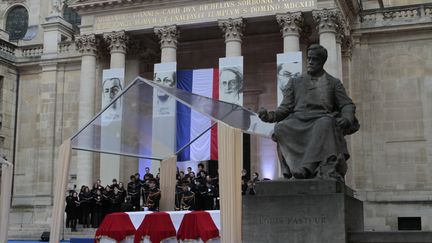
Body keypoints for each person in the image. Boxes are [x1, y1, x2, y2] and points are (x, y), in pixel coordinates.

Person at [258, 44, 359, 182]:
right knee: (281, 127)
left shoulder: (333, 83)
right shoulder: (295, 82)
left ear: (322, 61)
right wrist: (269, 116)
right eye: (309, 58)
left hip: (321, 117)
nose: (310, 62)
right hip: (299, 119)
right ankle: (291, 170)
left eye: (315, 59)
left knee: (325, 123)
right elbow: (285, 108)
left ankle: (306, 167)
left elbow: (347, 104)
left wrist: (347, 118)